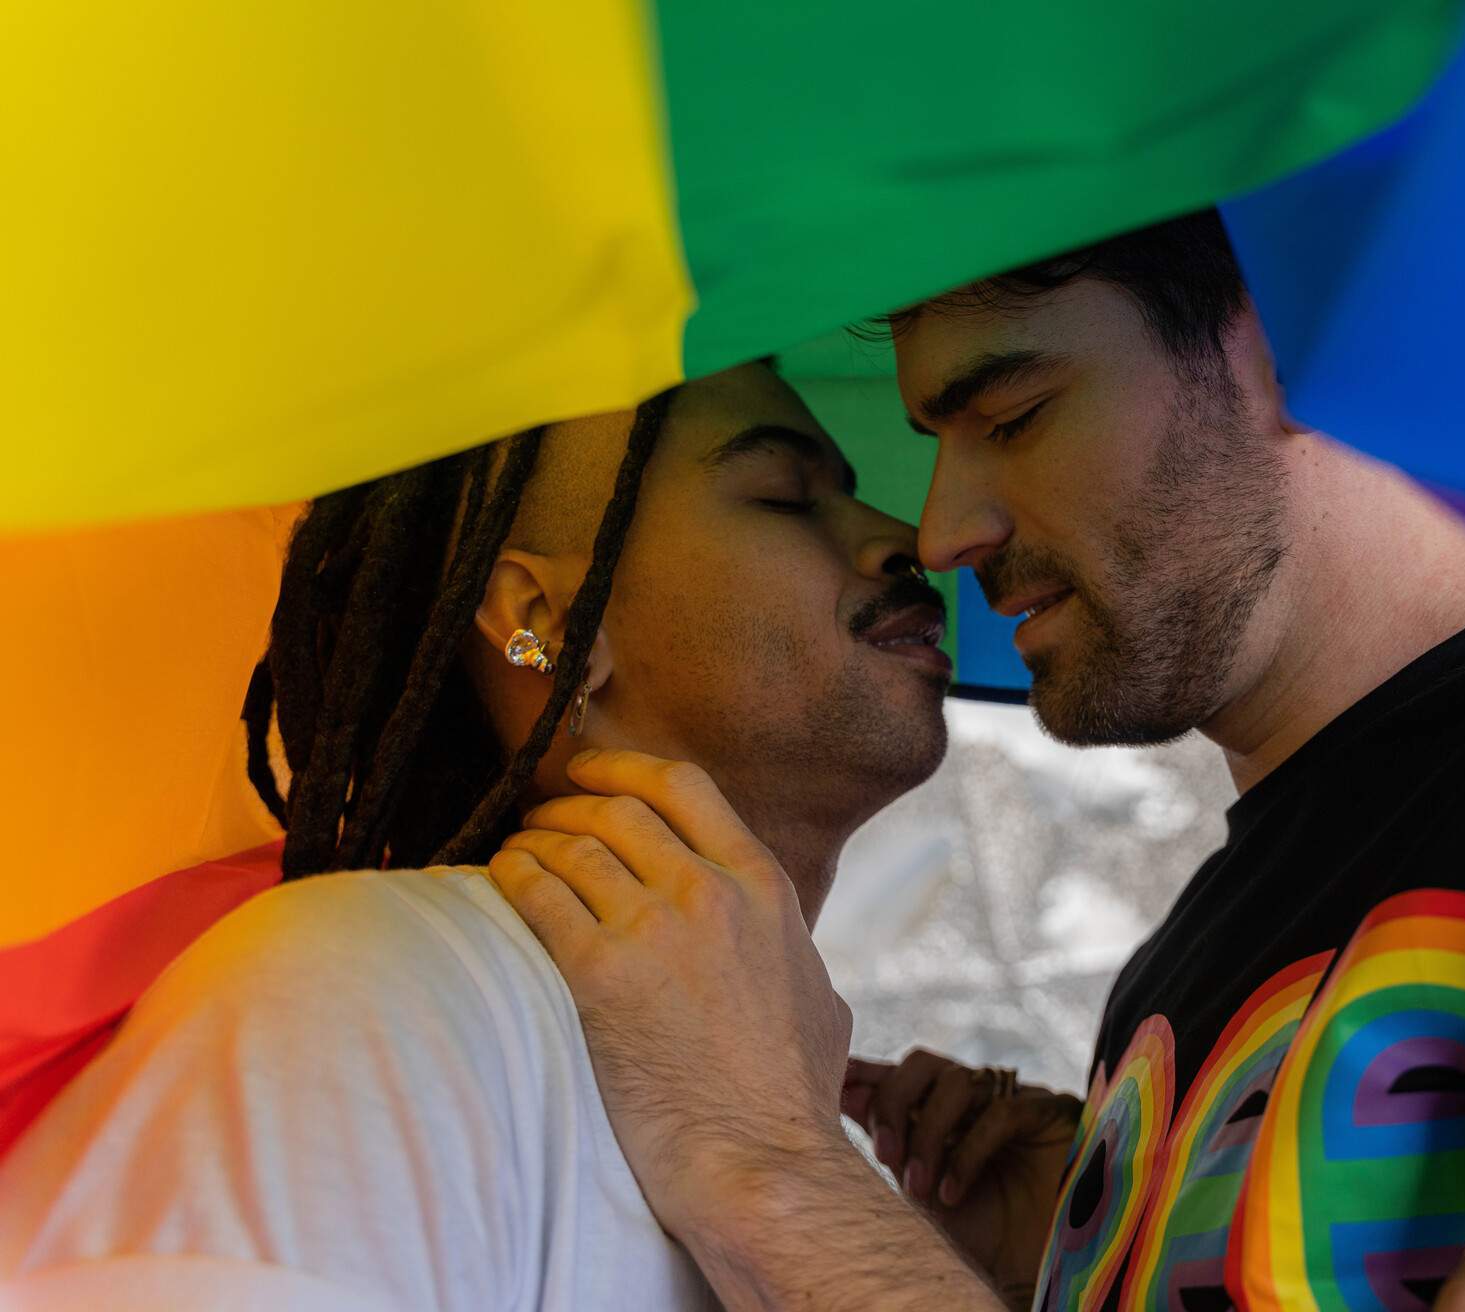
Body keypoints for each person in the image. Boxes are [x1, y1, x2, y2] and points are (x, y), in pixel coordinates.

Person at [492, 212, 1465, 1310]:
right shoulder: (1176, 974)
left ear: (1292, 336)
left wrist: (773, 1169)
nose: (941, 531)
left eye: (1013, 414)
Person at [0, 362, 955, 1309]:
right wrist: (780, 1162)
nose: (903, 538)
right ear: (550, 621)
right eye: (786, 497)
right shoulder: (363, 997)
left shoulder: (791, 1117)